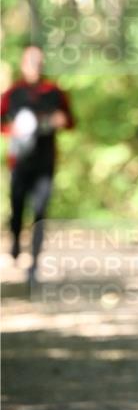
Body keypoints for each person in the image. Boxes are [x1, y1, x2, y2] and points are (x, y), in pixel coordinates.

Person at [1, 45, 75, 282]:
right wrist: (16, 129)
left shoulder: (54, 92)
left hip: (45, 162)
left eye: (39, 61)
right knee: (17, 208)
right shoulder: (13, 93)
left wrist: (59, 121)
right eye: (31, 61)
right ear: (23, 64)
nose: (35, 65)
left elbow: (70, 121)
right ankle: (14, 242)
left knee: (40, 212)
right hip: (19, 162)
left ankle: (34, 262)